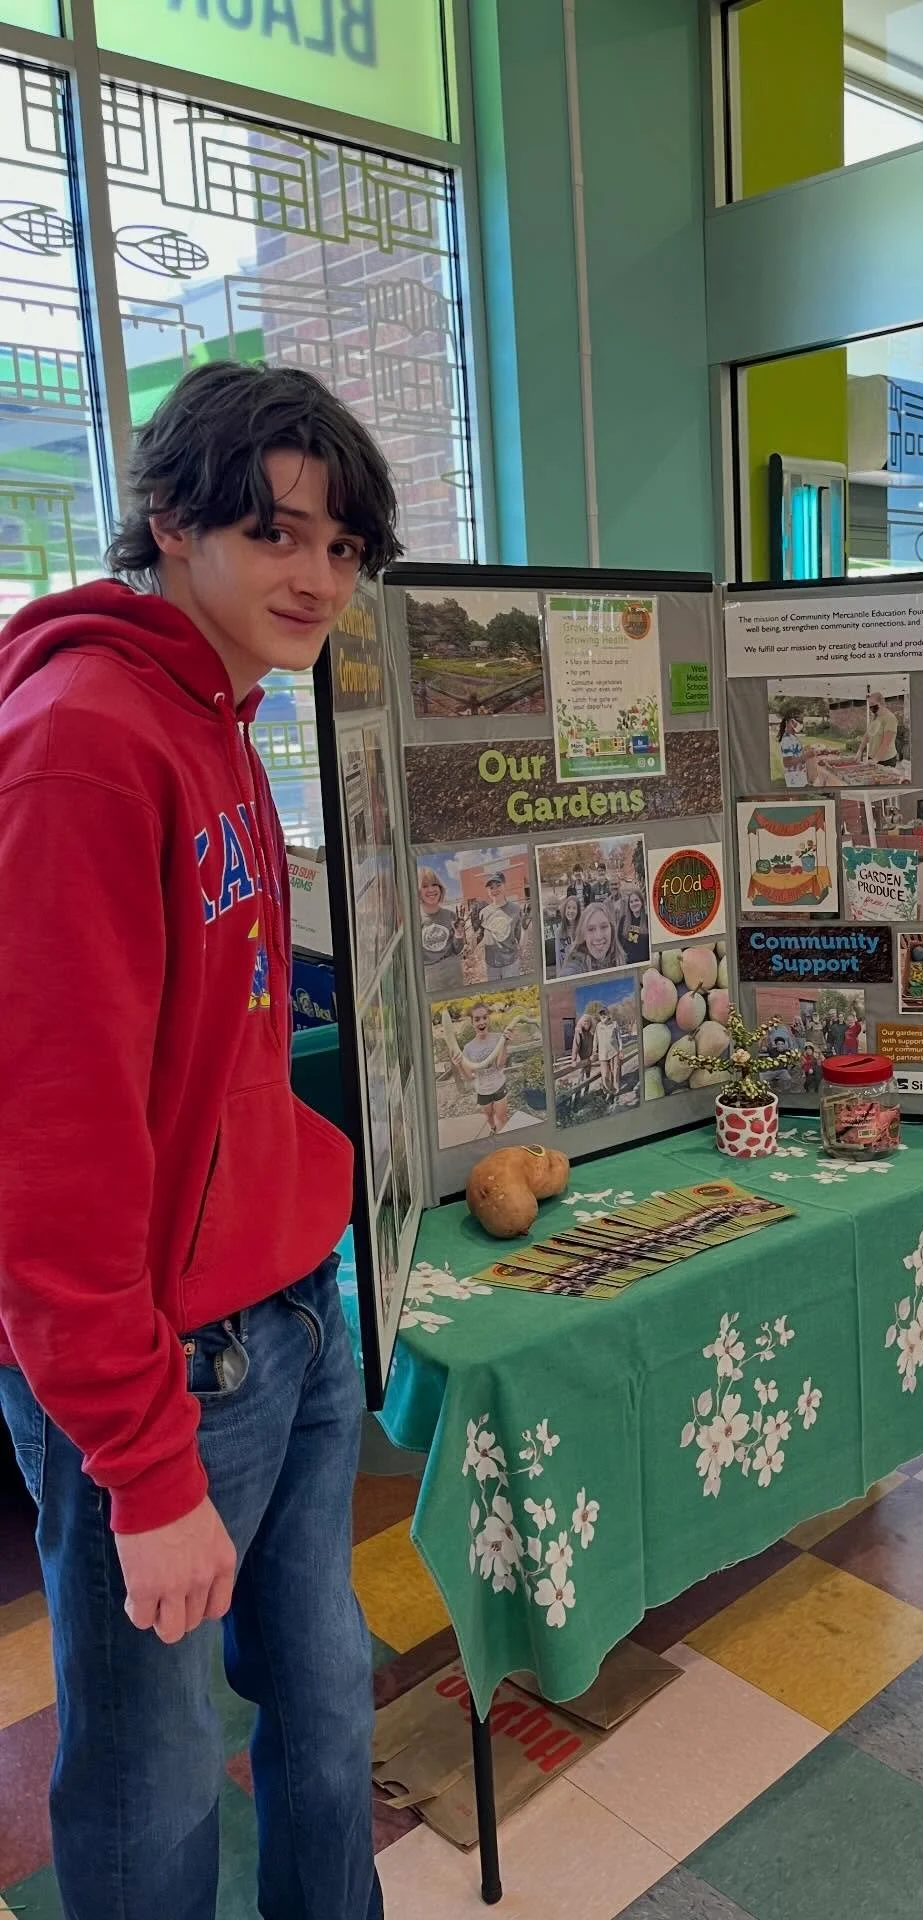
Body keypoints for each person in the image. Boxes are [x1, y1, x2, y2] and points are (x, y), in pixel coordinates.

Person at [0, 361, 399, 1919]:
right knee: (153, 1775)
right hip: (165, 1372)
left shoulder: (220, 711)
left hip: (285, 1312)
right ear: (173, 524)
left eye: (343, 545)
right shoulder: (86, 744)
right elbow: (49, 1160)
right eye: (280, 533)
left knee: (323, 1705)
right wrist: (143, 1464)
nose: (317, 575)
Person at [453, 999, 511, 1135]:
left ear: (488, 1019)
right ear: (472, 1023)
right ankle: (492, 1128)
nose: (482, 1022)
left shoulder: (499, 1038)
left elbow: (500, 1064)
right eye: (477, 1019)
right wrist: (459, 1065)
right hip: (483, 1091)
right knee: (489, 1116)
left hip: (498, 1086)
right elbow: (468, 1077)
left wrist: (505, 1044)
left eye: (485, 1017)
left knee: (502, 1119)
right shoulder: (468, 1049)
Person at [417, 862, 464, 995]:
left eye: (434, 884)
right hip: (430, 975)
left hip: (453, 969)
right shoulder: (414, 920)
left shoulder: (451, 915)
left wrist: (459, 934)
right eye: (425, 886)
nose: (431, 889)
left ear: (440, 888)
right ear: (418, 891)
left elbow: (457, 949)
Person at [477, 866, 526, 982]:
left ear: (505, 886)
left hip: (510, 963)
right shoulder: (484, 913)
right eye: (491, 887)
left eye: (498, 885)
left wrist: (521, 948)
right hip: (491, 964)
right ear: (487, 891)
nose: (495, 890)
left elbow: (520, 937)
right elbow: (479, 938)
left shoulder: (515, 909)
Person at [561, 899, 625, 976]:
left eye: (604, 927)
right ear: (583, 934)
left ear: (612, 930)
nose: (598, 936)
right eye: (591, 929)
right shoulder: (577, 967)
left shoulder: (619, 959)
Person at [860, 690, 899, 769]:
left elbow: (886, 744)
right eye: (869, 705)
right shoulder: (875, 716)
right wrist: (860, 751)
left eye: (872, 704)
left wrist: (875, 760)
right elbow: (867, 734)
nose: (870, 707)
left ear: (881, 703)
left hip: (886, 760)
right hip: (872, 758)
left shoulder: (890, 718)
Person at [594, 1005, 623, 1098]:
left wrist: (621, 1050)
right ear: (599, 1016)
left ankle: (616, 1091)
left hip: (614, 1052)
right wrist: (594, 1050)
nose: (603, 1015)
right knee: (605, 1074)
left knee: (615, 1072)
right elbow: (596, 1039)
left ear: (607, 1014)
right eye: (601, 1014)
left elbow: (619, 1038)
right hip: (602, 1054)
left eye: (604, 1013)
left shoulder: (614, 1024)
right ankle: (608, 1090)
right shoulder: (598, 1026)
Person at [777, 710, 810, 789]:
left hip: (799, 774)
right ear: (791, 722)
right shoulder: (787, 740)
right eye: (800, 721)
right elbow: (787, 763)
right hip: (794, 778)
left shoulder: (793, 736)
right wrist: (805, 756)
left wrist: (804, 749)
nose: (801, 724)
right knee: (796, 797)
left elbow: (795, 752)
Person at [616, 888, 649, 966]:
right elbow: (618, 941)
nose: (634, 903)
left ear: (642, 902)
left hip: (644, 964)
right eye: (631, 902)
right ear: (629, 905)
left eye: (636, 900)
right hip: (627, 964)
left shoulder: (648, 920)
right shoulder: (623, 920)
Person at [553, 889, 582, 972]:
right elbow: (558, 957)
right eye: (568, 908)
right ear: (565, 910)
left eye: (574, 908)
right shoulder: (559, 931)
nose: (571, 911)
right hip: (566, 971)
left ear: (578, 911)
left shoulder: (582, 930)